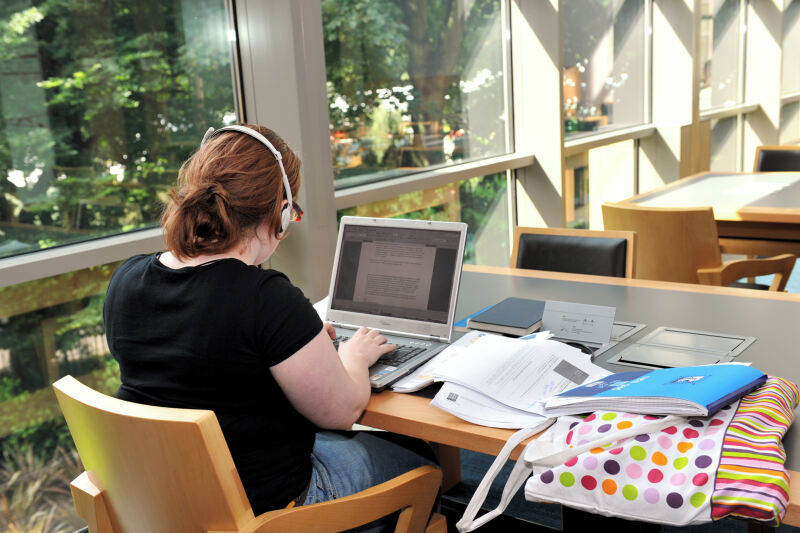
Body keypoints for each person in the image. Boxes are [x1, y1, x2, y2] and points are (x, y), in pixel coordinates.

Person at [103, 124, 438, 518]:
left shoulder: (127, 279)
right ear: (280, 213)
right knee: (424, 463)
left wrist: (298, 338)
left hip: (164, 500)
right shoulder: (265, 298)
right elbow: (341, 412)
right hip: (263, 508)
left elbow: (195, 362)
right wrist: (354, 356)